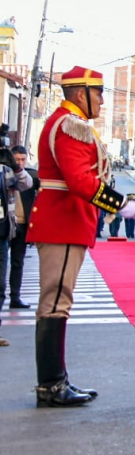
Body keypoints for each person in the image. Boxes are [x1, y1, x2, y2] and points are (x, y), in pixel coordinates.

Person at [27, 66, 135, 405]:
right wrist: (118, 203)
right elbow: (78, 181)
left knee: (58, 301)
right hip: (63, 221)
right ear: (81, 94)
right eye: (99, 93)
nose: (102, 101)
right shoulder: (70, 126)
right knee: (55, 301)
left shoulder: (70, 125)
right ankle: (50, 384)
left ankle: (55, 380)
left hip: (67, 221)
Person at [0, 141, 34, 345]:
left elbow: (26, 184)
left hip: (4, 231)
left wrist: (15, 166)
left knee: (1, 284)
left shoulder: (7, 172)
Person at [8, 145, 40, 310]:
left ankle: (15, 296)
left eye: (23, 159)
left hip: (22, 225)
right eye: (17, 159)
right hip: (5, 224)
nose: (20, 163)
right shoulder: (4, 173)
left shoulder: (29, 176)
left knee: (17, 263)